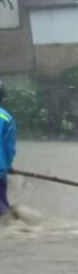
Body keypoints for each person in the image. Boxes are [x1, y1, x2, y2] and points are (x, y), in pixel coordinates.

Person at [0, 80, 17, 218]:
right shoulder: (7, 117)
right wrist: (8, 165)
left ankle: (9, 222)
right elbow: (9, 147)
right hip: (1, 168)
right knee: (3, 199)